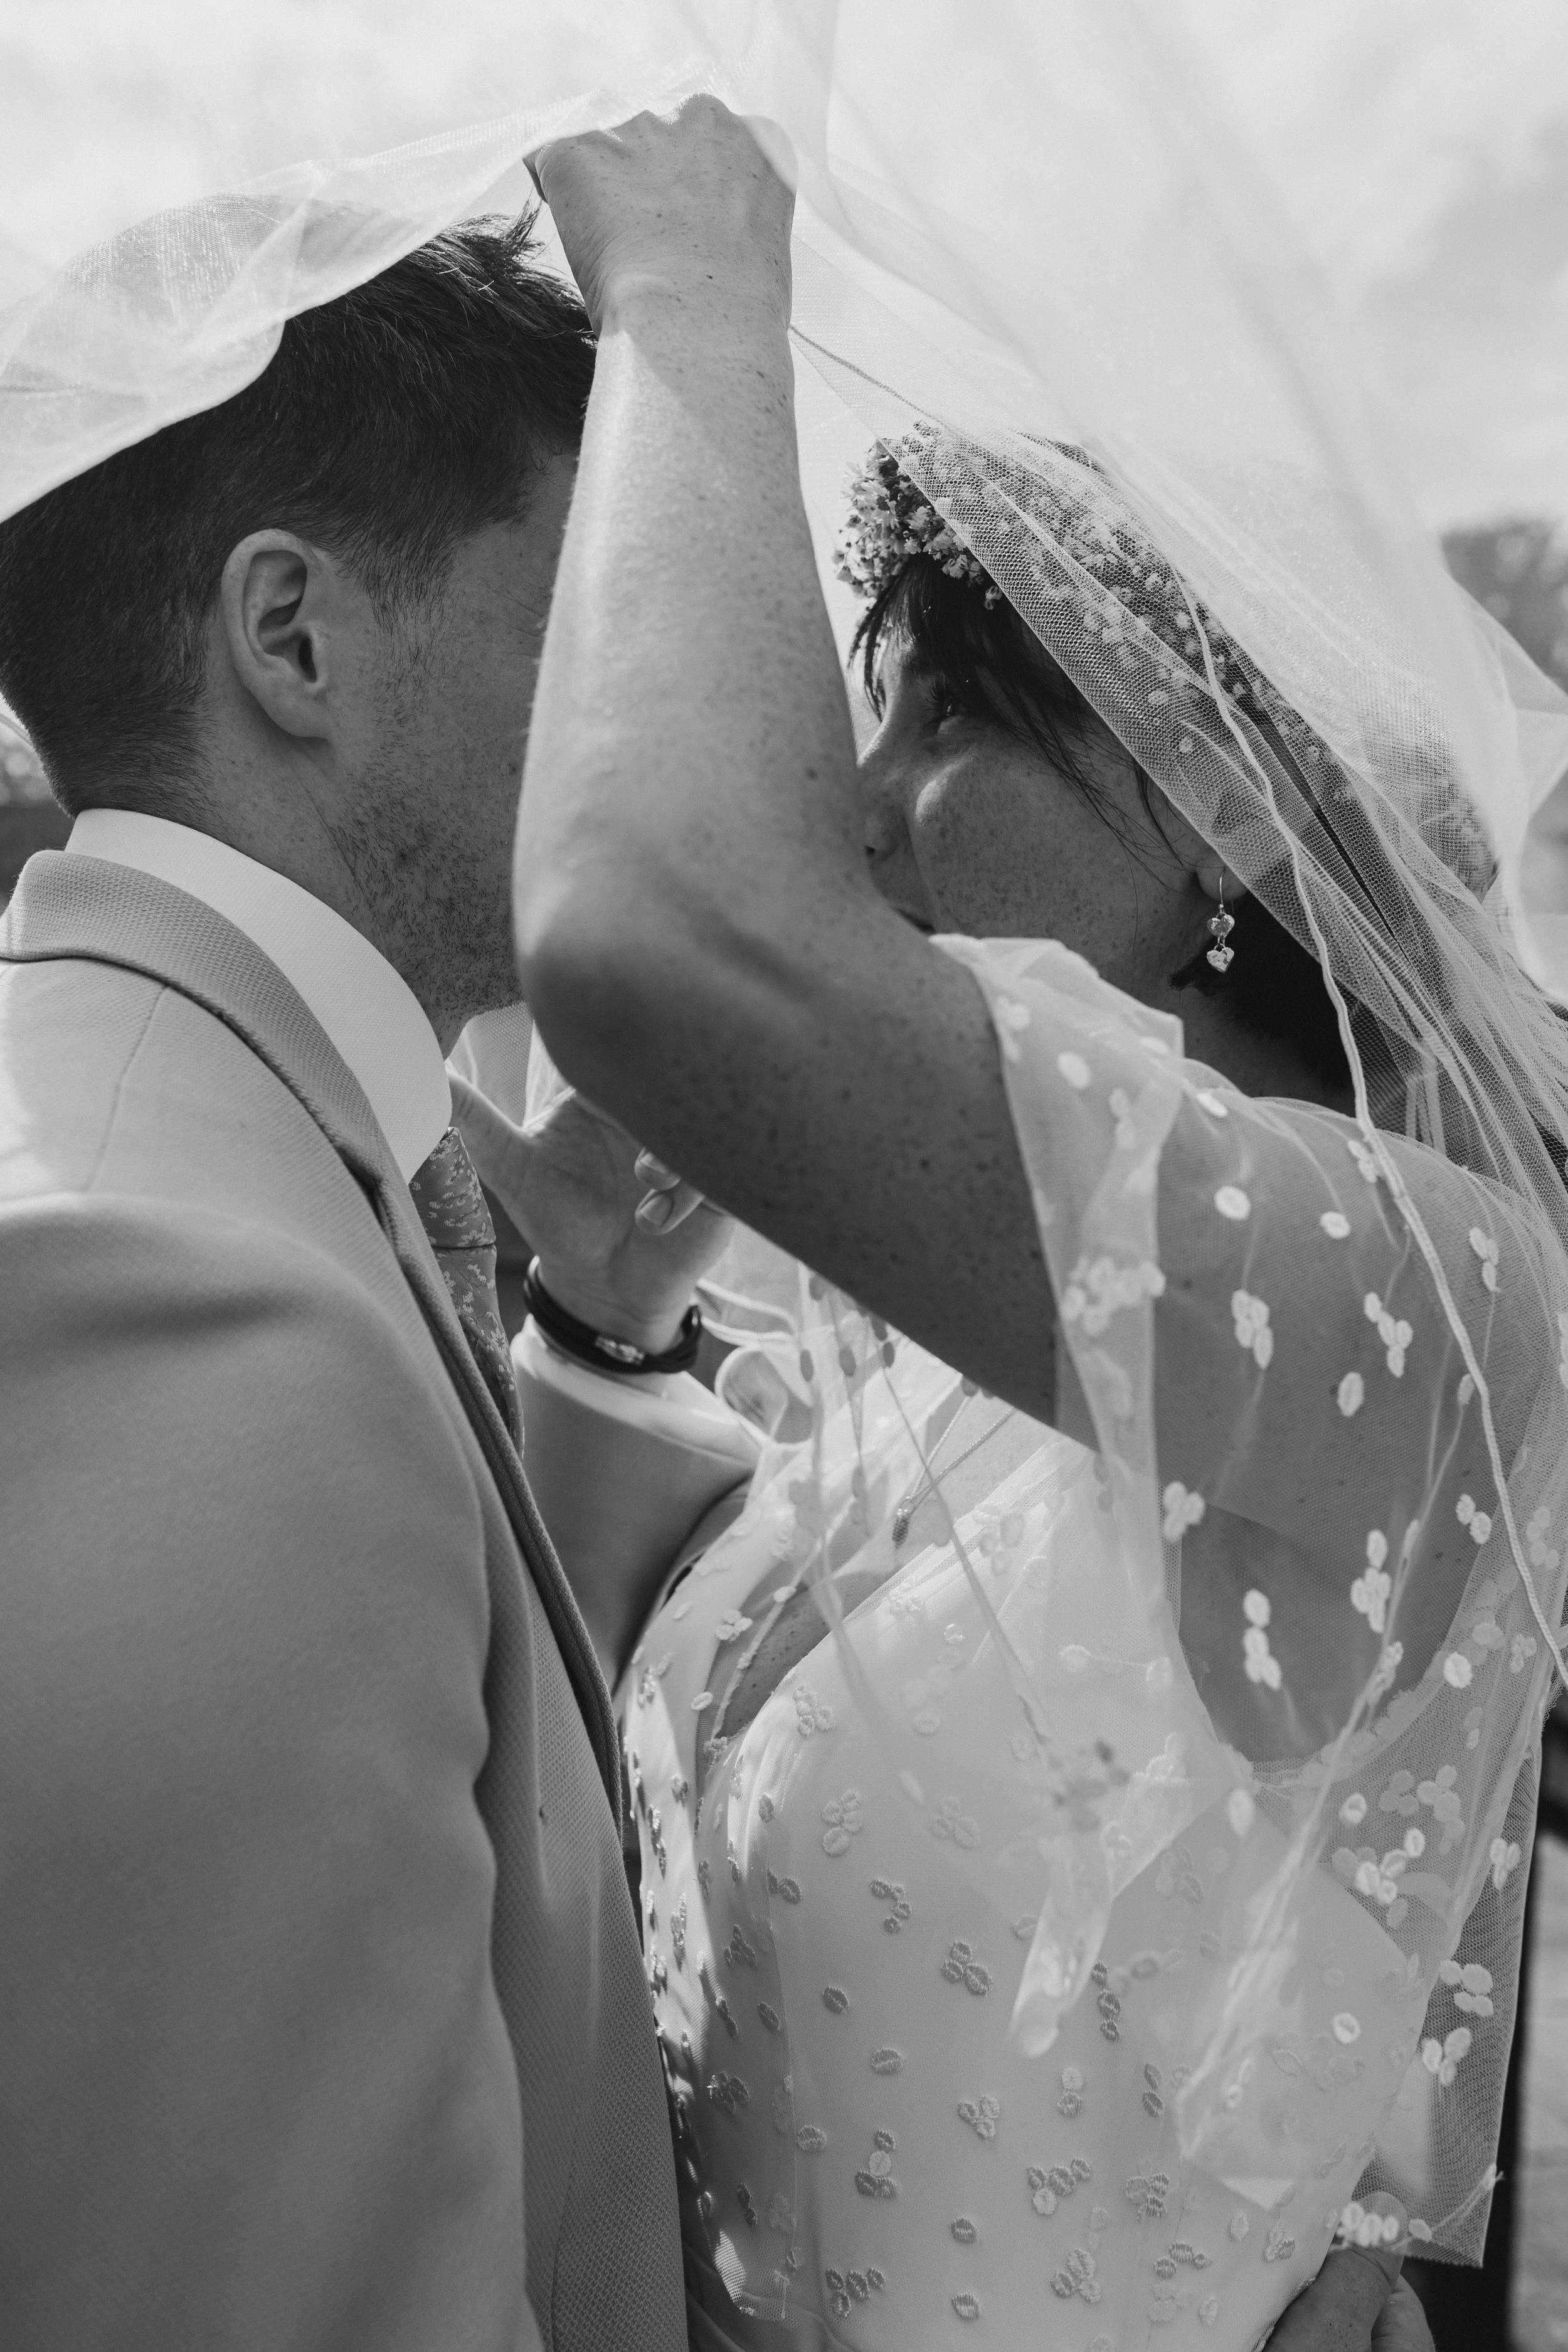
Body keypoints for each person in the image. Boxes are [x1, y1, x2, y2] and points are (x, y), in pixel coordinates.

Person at [504, 97, 1566, 2350]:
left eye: (939, 725)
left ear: (1210, 806)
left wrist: (694, 291)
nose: (856, 815)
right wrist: (602, 1321)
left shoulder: (1422, 1280)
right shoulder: (1022, 1317)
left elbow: (657, 926)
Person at [0, 218, 687, 2351]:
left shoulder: (219, 1137)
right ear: (295, 637)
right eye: (599, 612)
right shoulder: (182, 1307)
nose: (679, 713)